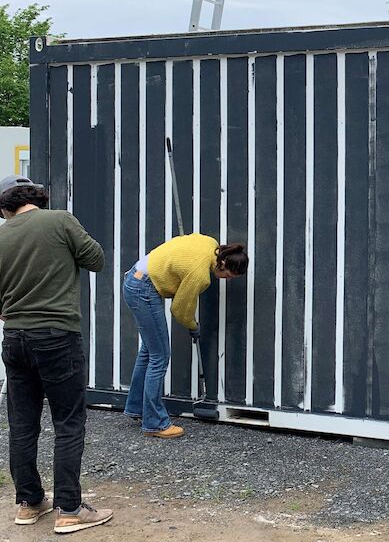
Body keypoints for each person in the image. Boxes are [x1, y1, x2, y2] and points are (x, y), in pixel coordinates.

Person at [0, 175, 114, 533]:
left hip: (14, 338)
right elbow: (96, 259)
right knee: (67, 422)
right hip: (56, 335)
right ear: (38, 197)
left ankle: (29, 503)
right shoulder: (60, 220)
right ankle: (68, 509)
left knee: (21, 423)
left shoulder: (2, 234)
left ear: (5, 207)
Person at [123, 234, 248, 438]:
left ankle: (137, 407)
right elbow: (180, 309)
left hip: (135, 277)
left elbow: (181, 242)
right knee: (159, 356)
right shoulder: (200, 275)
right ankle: (154, 423)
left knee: (149, 352)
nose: (227, 280)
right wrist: (193, 325)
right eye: (228, 276)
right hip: (143, 289)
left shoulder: (209, 243)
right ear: (223, 263)